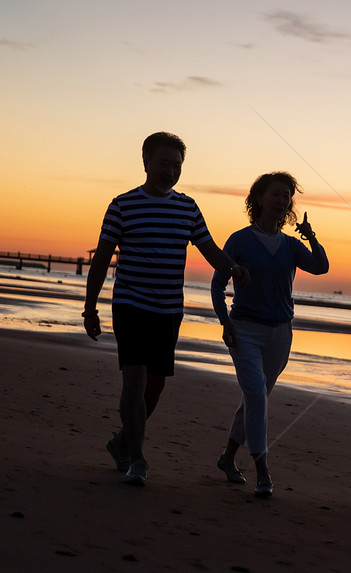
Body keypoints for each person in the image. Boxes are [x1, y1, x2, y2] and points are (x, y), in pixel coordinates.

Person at [84, 131, 250, 486]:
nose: (170, 171)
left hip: (168, 308)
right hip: (130, 303)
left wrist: (232, 268)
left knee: (154, 386)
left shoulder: (187, 207)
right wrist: (90, 308)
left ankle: (122, 443)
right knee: (134, 378)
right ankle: (138, 459)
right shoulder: (122, 205)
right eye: (163, 163)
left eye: (177, 165)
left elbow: (209, 248)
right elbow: (100, 260)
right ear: (145, 163)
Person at [211, 171, 328, 498]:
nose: (281, 200)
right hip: (244, 330)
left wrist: (311, 236)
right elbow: (218, 286)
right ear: (259, 198)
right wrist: (225, 323)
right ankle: (262, 469)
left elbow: (321, 267)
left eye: (287, 196)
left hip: (280, 333)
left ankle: (227, 458)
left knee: (255, 397)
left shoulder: (290, 245)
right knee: (257, 397)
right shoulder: (239, 240)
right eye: (275, 194)